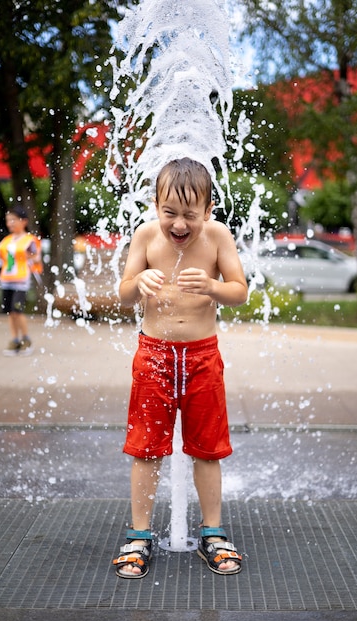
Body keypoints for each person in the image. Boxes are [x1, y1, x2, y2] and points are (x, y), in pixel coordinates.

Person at [113, 157, 248, 579]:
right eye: (170, 212)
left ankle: (213, 532)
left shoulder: (218, 237)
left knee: (207, 449)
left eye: (190, 214)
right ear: (156, 205)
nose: (179, 224)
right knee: (145, 446)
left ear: (208, 210)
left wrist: (212, 286)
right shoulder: (146, 236)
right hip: (154, 355)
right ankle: (139, 536)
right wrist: (139, 285)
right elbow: (122, 293)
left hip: (202, 357)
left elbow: (240, 292)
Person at [0, 205, 41, 356]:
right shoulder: (6, 240)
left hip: (21, 282)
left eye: (13, 220)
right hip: (7, 280)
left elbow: (36, 257)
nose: (10, 223)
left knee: (17, 310)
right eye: (8, 220)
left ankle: (25, 339)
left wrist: (28, 257)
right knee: (10, 311)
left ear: (23, 221)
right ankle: (14, 339)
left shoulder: (29, 240)